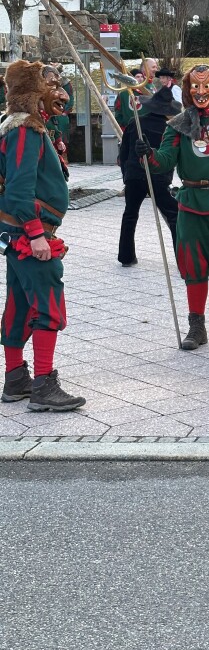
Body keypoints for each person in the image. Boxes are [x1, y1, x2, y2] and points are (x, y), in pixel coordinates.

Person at [136, 64, 209, 350]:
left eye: (207, 85)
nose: (201, 92)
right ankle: (196, 327)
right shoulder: (178, 124)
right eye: (195, 87)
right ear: (186, 90)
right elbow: (165, 160)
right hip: (191, 204)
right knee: (194, 269)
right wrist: (148, 155)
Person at [0, 60, 85, 412]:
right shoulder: (24, 131)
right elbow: (19, 191)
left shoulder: (28, 127)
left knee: (19, 303)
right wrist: (36, 234)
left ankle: (16, 378)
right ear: (32, 92)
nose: (60, 92)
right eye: (51, 85)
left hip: (20, 231)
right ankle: (44, 385)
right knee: (48, 304)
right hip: (29, 232)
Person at [117, 86, 180, 268]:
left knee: (130, 214)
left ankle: (126, 257)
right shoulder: (170, 128)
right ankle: (181, 258)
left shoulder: (135, 122)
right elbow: (172, 154)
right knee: (174, 214)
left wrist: (126, 176)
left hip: (134, 175)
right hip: (158, 176)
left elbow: (124, 151)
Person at [115, 57, 158, 129]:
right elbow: (118, 113)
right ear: (145, 68)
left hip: (149, 128)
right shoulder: (124, 94)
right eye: (153, 67)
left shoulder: (151, 85)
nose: (156, 69)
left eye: (156, 67)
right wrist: (125, 127)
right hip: (132, 130)